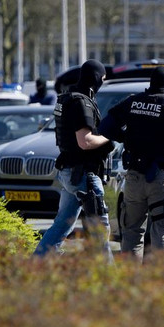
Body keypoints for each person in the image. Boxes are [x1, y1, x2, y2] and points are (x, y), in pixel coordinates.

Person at [99, 66, 164, 263]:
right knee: (162, 230)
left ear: (150, 83)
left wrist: (125, 137)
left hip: (134, 177)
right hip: (160, 176)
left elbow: (105, 127)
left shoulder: (132, 102)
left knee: (132, 231)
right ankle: (161, 281)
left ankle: (131, 283)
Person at [34, 59, 114, 262]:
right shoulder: (81, 102)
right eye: (102, 79)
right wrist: (108, 137)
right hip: (83, 174)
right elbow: (85, 141)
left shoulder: (67, 98)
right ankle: (110, 274)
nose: (102, 82)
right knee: (99, 228)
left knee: (63, 223)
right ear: (96, 78)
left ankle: (37, 262)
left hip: (69, 170)